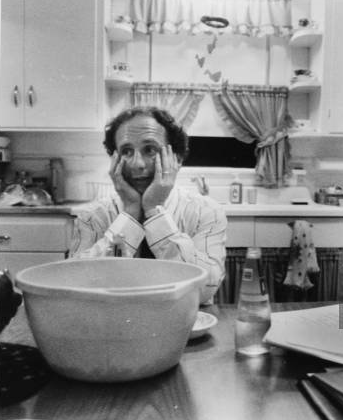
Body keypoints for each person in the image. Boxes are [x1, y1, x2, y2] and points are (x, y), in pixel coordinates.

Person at [70, 106, 227, 304]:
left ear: (176, 159)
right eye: (126, 151)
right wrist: (130, 215)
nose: (137, 164)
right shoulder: (92, 217)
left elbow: (205, 290)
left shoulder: (206, 211)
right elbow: (73, 286)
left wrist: (154, 212)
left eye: (150, 150)